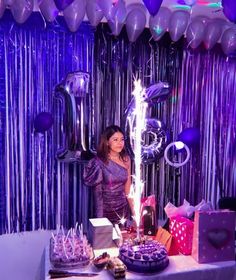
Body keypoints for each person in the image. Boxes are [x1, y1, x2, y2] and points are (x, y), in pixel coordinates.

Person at [83, 125, 133, 225]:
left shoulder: (126, 159)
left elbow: (128, 188)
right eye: (115, 140)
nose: (120, 143)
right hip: (104, 211)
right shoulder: (99, 162)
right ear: (107, 142)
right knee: (104, 240)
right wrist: (100, 219)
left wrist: (134, 212)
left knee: (123, 239)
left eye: (122, 139)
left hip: (122, 211)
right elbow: (97, 194)